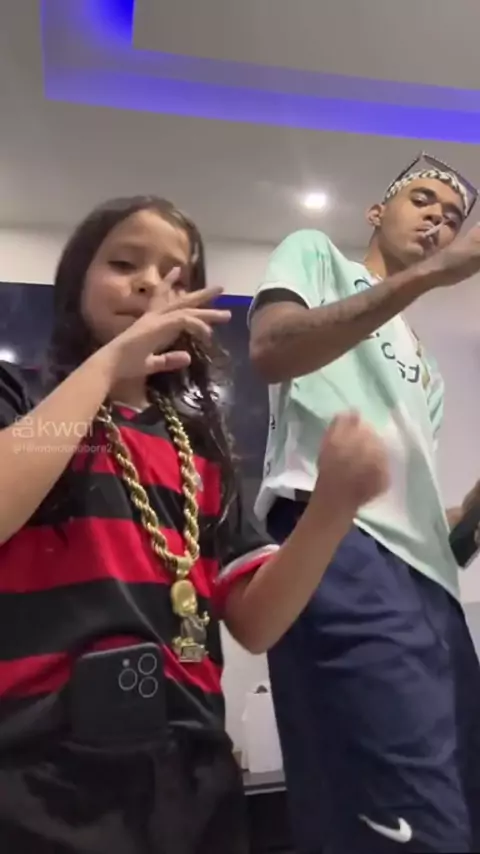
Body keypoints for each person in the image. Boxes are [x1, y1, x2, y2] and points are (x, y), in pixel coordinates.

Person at [0, 195, 389, 854]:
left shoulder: (199, 447)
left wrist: (331, 510)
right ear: (74, 282)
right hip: (37, 769)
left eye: (175, 276)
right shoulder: (23, 398)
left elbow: (255, 622)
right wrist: (109, 365)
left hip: (191, 770)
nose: (151, 284)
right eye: (124, 263)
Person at [248, 153, 480, 854]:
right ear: (377, 213)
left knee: (463, 804)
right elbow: (272, 347)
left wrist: (474, 511)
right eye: (424, 200)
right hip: (338, 551)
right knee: (408, 820)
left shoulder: (428, 372)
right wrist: (432, 275)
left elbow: (433, 531)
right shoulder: (315, 255)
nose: (439, 219)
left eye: (452, 216)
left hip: (434, 595)